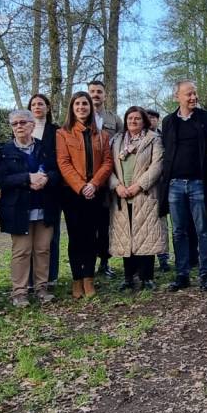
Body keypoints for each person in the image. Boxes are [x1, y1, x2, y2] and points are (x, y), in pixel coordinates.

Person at [158, 80, 207, 291]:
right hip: (175, 185)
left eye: (195, 93)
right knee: (179, 231)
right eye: (188, 94)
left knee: (204, 230)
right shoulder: (168, 121)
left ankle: (205, 273)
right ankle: (182, 274)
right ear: (177, 97)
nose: (193, 97)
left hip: (199, 184)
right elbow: (166, 151)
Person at [0, 110, 61, 308]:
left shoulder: (44, 148)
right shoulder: (5, 151)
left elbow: (56, 171)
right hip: (19, 209)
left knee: (43, 249)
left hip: (44, 206)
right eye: (15, 124)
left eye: (23, 122)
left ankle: (42, 288)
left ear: (32, 125)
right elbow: (2, 180)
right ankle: (19, 292)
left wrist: (46, 179)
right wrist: (27, 178)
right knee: (22, 251)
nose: (19, 126)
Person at [57, 91, 114, 299]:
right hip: (72, 192)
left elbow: (107, 162)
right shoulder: (63, 133)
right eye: (77, 104)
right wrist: (81, 186)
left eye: (85, 104)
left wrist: (94, 184)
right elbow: (63, 162)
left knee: (91, 236)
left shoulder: (102, 135)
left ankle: (89, 278)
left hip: (95, 192)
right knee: (76, 237)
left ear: (90, 108)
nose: (81, 107)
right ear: (72, 108)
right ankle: (77, 279)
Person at [109, 107, 166, 291]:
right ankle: (128, 277)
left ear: (144, 121)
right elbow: (108, 166)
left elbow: (157, 165)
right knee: (128, 236)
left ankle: (147, 277)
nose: (133, 121)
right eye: (130, 118)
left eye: (137, 119)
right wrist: (117, 186)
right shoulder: (116, 141)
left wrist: (139, 186)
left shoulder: (153, 139)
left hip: (144, 195)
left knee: (146, 235)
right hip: (122, 196)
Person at [28, 93, 63, 289]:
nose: (37, 107)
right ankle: (30, 279)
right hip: (28, 189)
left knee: (51, 235)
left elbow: (61, 160)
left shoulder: (56, 131)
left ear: (47, 108)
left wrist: (46, 178)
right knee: (29, 237)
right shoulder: (23, 129)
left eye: (40, 104)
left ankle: (51, 276)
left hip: (51, 188)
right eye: (33, 104)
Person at [88, 80, 121, 278]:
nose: (95, 95)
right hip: (86, 178)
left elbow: (122, 142)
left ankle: (104, 262)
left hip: (107, 178)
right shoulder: (80, 116)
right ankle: (88, 262)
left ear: (105, 95)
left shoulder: (114, 119)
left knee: (105, 223)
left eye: (99, 91)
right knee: (88, 224)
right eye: (92, 91)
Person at [147, 109, 172, 273]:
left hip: (161, 186)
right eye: (148, 118)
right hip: (143, 187)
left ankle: (163, 258)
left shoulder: (164, 137)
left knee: (161, 223)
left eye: (153, 118)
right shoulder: (140, 138)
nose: (151, 120)